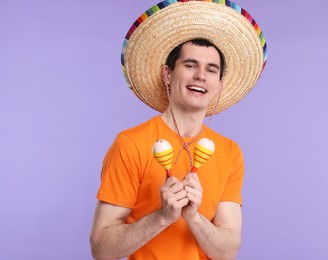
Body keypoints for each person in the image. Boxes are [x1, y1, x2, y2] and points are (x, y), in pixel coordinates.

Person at [90, 1, 267, 259]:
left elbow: (228, 251)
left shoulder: (230, 152)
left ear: (218, 85)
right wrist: (162, 217)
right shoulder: (131, 143)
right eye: (190, 65)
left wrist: (193, 217)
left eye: (211, 70)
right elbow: (101, 249)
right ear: (167, 74)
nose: (200, 76)